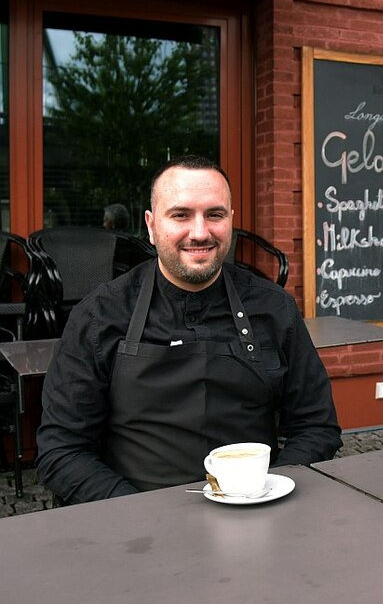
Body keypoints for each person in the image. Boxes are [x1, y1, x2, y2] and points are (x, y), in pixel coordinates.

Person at [37, 155, 341, 503]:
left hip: (254, 515)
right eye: (180, 215)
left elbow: (316, 427)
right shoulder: (99, 315)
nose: (200, 232)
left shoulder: (274, 308)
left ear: (231, 221)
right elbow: (62, 450)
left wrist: (272, 492)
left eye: (215, 215)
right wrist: (134, 512)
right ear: (151, 226)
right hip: (134, 527)